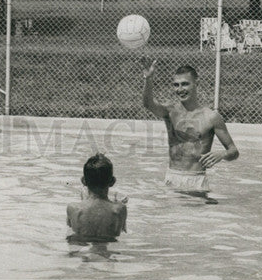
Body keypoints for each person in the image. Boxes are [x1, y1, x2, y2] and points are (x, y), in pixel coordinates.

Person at [142, 59, 239, 196]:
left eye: (185, 84)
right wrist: (148, 79)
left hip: (197, 180)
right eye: (176, 85)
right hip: (172, 178)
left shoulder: (211, 117)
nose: (180, 89)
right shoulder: (170, 112)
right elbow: (148, 104)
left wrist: (222, 154)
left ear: (196, 84)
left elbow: (233, 151)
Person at [66, 153, 128, 242]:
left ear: (83, 181)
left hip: (79, 248)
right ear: (112, 181)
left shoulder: (73, 208)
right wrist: (117, 204)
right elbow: (123, 231)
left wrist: (84, 201)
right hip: (109, 250)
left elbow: (70, 230)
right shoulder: (119, 209)